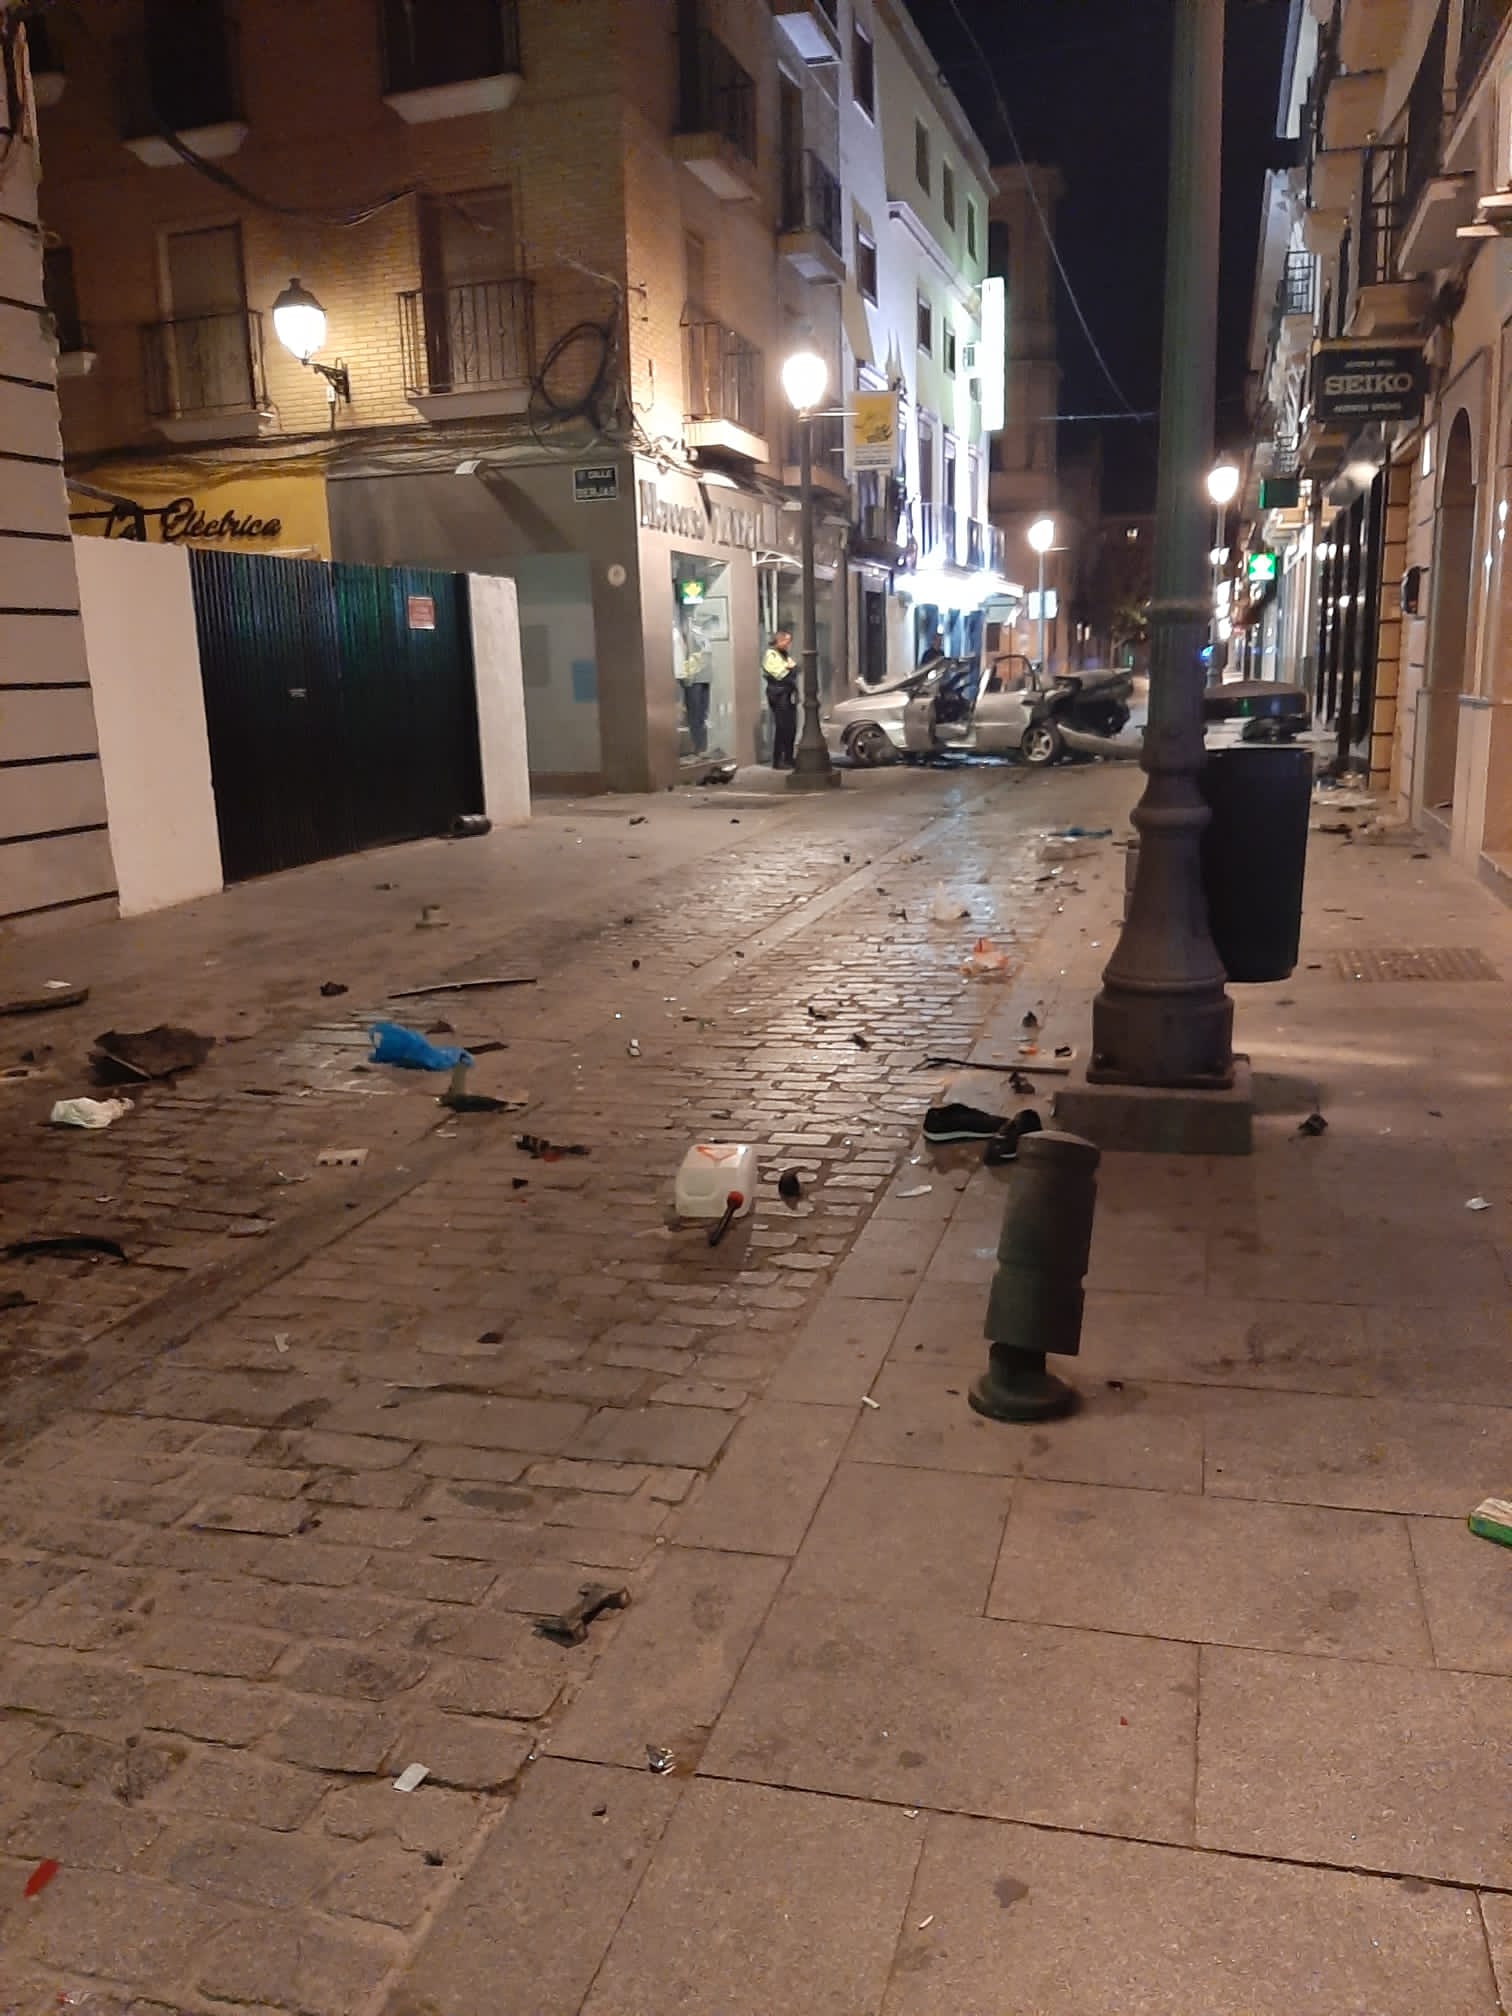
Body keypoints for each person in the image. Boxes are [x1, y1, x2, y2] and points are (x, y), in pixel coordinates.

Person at [763, 628, 798, 769]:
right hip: (777, 694)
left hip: (787, 693)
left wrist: (791, 670)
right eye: (786, 641)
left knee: (791, 727)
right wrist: (790, 670)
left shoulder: (783, 654)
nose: (787, 645)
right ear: (778, 641)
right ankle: (779, 760)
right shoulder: (771, 654)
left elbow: (794, 669)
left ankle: (789, 758)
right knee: (782, 727)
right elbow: (781, 675)